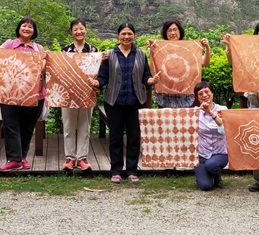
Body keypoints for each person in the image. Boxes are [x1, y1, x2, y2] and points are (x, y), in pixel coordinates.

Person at [93, 22, 158, 183]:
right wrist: (97, 83)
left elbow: (146, 76)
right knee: (115, 137)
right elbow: (103, 76)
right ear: (118, 36)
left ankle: (132, 170)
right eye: (123, 34)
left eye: (129, 34)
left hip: (136, 101)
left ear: (134, 36)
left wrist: (151, 80)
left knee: (134, 137)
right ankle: (116, 170)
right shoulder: (110, 54)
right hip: (114, 101)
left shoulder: (141, 54)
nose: (126, 37)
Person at [0, 17, 46, 172]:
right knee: (11, 125)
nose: (27, 29)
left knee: (28, 127)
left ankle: (22, 157)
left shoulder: (39, 48)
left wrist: (43, 62)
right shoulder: (9, 44)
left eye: (30, 27)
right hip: (10, 93)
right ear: (19, 28)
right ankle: (14, 159)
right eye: (24, 26)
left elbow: (43, 68)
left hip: (34, 94)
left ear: (34, 31)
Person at [60, 19, 98, 174]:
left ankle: (82, 158)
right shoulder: (65, 50)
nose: (78, 32)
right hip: (68, 93)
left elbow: (98, 72)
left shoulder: (93, 50)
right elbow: (59, 70)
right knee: (69, 126)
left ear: (86, 30)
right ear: (71, 32)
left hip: (87, 92)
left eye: (81, 29)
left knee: (84, 126)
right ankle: (69, 158)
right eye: (75, 29)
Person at [150, 18, 210, 109]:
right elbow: (153, 66)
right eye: (169, 30)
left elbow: (205, 62)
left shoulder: (189, 48)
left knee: (184, 121)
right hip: (165, 95)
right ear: (165, 33)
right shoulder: (159, 48)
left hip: (185, 95)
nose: (172, 33)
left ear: (180, 31)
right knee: (166, 121)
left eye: (175, 30)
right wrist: (151, 48)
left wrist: (207, 48)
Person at [194, 81, 228, 191]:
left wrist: (211, 113)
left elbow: (224, 130)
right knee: (205, 186)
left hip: (220, 153)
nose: (204, 95)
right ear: (197, 98)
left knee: (212, 165)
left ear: (212, 93)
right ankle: (202, 176)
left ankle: (217, 176)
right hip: (202, 155)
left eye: (207, 91)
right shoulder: (194, 113)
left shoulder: (223, 109)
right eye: (200, 94)